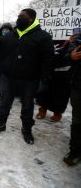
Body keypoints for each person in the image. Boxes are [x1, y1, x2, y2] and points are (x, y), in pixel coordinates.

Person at [0, 8, 54, 145]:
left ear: (31, 19)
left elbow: (48, 60)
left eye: (22, 16)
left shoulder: (43, 37)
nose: (19, 18)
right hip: (8, 77)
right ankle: (1, 123)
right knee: (4, 102)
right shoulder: (11, 35)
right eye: (18, 16)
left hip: (29, 79)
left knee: (27, 106)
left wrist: (45, 80)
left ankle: (27, 129)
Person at [36, 39, 71, 122]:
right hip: (49, 70)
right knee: (45, 92)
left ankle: (57, 113)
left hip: (64, 72)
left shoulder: (72, 40)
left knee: (61, 94)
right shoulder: (50, 38)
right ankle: (42, 110)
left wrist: (70, 41)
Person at [63, 33, 81, 166]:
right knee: (78, 120)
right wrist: (71, 55)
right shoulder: (77, 38)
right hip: (79, 86)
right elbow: (65, 57)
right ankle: (75, 151)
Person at [0, 23, 14, 104]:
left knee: (7, 84)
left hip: (9, 66)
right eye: (4, 29)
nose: (5, 31)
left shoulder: (14, 40)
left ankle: (6, 100)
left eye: (7, 29)